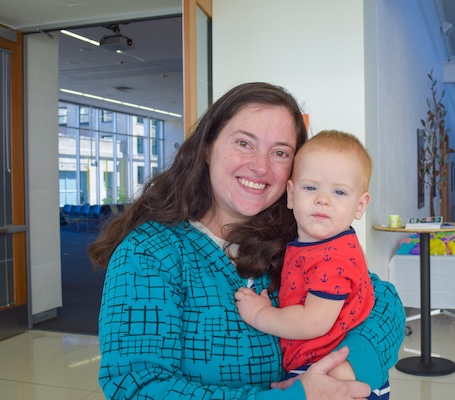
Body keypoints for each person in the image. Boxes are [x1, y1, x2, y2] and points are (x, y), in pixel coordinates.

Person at [88, 82, 405, 400]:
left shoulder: (297, 237)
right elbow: (136, 386)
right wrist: (293, 397)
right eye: (244, 143)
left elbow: (384, 302)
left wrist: (343, 373)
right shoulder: (151, 252)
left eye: (280, 152)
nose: (260, 166)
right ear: (208, 147)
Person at [235, 130, 389, 399]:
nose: (323, 199)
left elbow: (313, 321)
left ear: (360, 205)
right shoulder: (317, 244)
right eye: (310, 187)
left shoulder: (332, 258)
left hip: (325, 372)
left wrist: (261, 314)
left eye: (339, 192)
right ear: (291, 194)